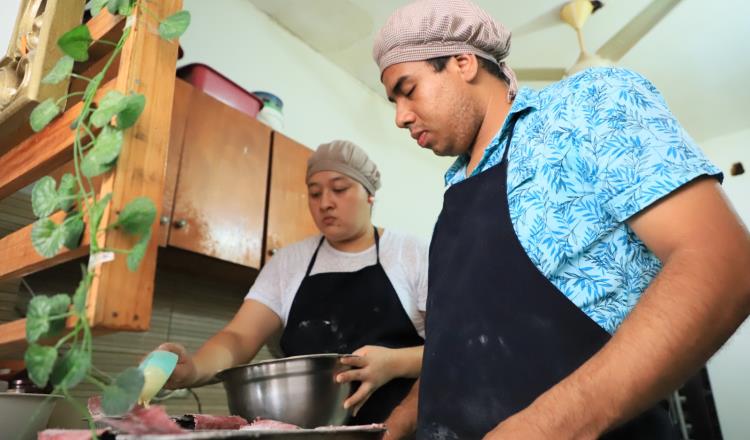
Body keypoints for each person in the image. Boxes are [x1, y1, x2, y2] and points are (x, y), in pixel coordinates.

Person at [371, 1, 750, 439]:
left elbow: (723, 263)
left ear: (462, 62)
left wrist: (547, 426)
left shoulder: (584, 107)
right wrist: (401, 420)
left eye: (408, 88)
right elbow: (459, 352)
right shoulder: (455, 196)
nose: (400, 116)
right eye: (393, 101)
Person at [156, 140, 428, 425]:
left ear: (370, 194)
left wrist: (393, 363)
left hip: (399, 432)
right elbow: (238, 337)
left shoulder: (410, 253)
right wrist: (192, 369)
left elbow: (450, 349)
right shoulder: (289, 262)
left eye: (339, 189)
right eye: (314, 192)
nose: (325, 203)